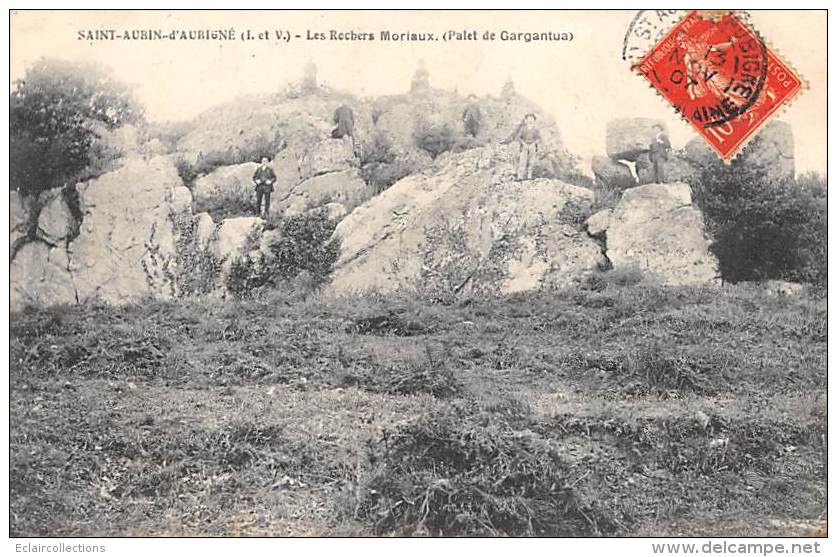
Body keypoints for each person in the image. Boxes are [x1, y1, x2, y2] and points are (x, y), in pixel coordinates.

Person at [501, 113, 541, 181]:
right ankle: (520, 176)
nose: (530, 120)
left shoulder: (536, 129)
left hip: (532, 146)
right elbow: (518, 137)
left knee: (531, 161)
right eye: (528, 119)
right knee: (523, 160)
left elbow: (539, 138)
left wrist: (534, 143)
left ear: (534, 120)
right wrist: (523, 143)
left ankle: (529, 176)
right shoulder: (523, 128)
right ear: (526, 120)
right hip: (524, 146)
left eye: (532, 119)